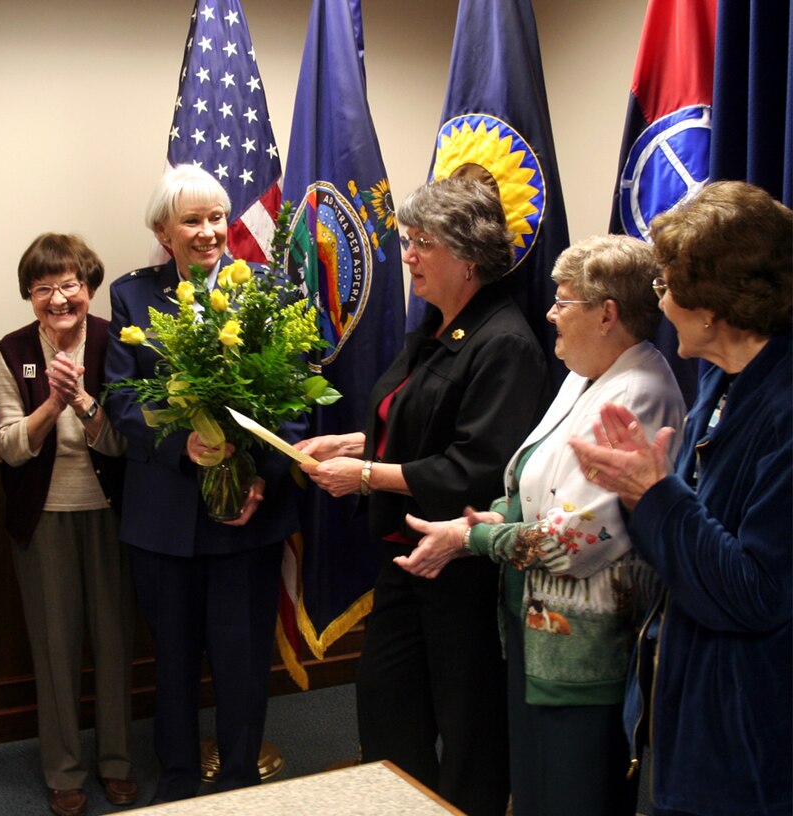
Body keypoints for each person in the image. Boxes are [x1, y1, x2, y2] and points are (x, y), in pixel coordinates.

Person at [395, 235, 685, 816]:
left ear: (607, 314)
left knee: (571, 796)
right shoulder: (584, 374)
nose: (549, 312)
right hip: (538, 631)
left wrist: (471, 536)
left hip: (582, 654)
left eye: (563, 300)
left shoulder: (638, 394)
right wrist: (491, 518)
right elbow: (531, 492)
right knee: (534, 793)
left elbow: (572, 542)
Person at [297, 177, 549, 816]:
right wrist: (354, 444)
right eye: (408, 241)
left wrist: (365, 476)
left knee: (468, 730)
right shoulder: (436, 327)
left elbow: (476, 467)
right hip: (403, 559)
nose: (407, 255)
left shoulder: (505, 342)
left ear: (467, 257)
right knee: (385, 704)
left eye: (421, 243)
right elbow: (406, 421)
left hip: (458, 562)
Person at [570, 181, 792, 816]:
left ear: (712, 307)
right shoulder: (722, 383)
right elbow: (683, 550)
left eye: (666, 288)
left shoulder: (784, 409)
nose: (659, 303)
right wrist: (643, 491)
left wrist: (655, 492)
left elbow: (755, 593)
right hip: (698, 708)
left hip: (752, 743)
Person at [104, 164, 302, 802]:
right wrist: (184, 445)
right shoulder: (133, 296)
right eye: (192, 220)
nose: (209, 231)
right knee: (176, 662)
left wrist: (260, 480)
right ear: (164, 230)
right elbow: (122, 402)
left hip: (248, 515)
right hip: (165, 518)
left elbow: (295, 403)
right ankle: (180, 783)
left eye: (217, 217)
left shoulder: (269, 291)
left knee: (243, 661)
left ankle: (242, 781)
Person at [0, 233, 136, 816]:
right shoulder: (12, 349)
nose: (58, 299)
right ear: (29, 295)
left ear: (90, 286)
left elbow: (128, 443)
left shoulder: (116, 341)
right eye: (43, 288)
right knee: (55, 650)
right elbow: (7, 446)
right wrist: (52, 404)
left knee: (114, 644)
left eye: (69, 285)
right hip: (43, 518)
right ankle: (63, 770)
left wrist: (83, 401)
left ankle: (119, 763)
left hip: (111, 516)